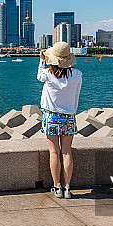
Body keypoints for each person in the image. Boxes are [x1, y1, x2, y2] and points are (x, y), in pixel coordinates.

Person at [37, 42, 82, 199]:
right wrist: (72, 112)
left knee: (54, 152)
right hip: (69, 116)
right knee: (67, 152)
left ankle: (57, 187)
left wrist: (42, 59)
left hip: (51, 116)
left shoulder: (48, 74)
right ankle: (67, 187)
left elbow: (39, 75)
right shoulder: (77, 75)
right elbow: (76, 97)